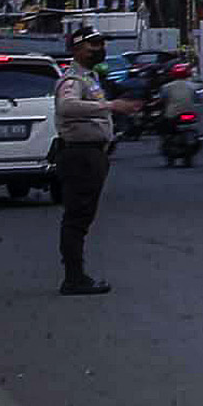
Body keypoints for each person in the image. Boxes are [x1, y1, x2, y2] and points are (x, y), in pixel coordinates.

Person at [51, 29, 120, 296]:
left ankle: (76, 275)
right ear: (77, 49)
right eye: (93, 45)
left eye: (102, 44)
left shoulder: (91, 79)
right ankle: (74, 277)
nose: (100, 49)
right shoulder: (72, 79)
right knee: (77, 218)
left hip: (92, 154)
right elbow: (67, 107)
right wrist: (109, 107)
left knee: (82, 217)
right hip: (80, 155)